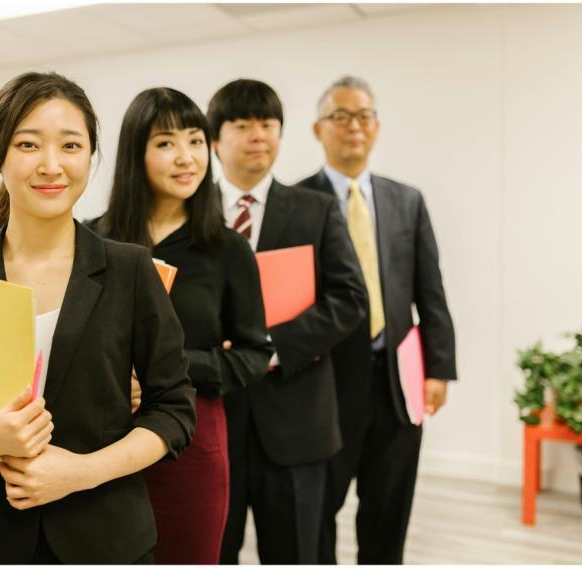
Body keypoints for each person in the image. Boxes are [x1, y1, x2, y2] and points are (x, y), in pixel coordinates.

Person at [0, 71, 196, 564]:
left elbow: (174, 408)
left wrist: (82, 472)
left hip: (106, 539)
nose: (52, 165)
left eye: (71, 146)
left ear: (90, 158)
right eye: (29, 144)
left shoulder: (130, 270)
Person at [92, 87, 273, 564]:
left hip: (190, 440)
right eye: (167, 143)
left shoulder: (227, 249)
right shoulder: (94, 240)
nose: (186, 157)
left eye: (196, 141)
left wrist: (169, 371)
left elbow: (254, 354)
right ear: (137, 153)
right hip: (100, 438)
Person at [206, 78, 367, 564]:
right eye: (242, 124)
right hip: (213, 421)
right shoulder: (190, 215)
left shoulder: (315, 210)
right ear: (214, 140)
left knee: (299, 551)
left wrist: (271, 348)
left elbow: (349, 298)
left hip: (297, 419)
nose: (259, 135)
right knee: (212, 550)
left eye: (268, 124)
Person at [298, 75, 457, 564]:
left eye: (363, 116)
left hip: (396, 383)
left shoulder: (405, 200)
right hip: (323, 385)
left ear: (377, 126)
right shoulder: (297, 203)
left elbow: (430, 290)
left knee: (389, 511)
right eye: (340, 116)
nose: (354, 126)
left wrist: (439, 367)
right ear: (317, 129)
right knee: (316, 512)